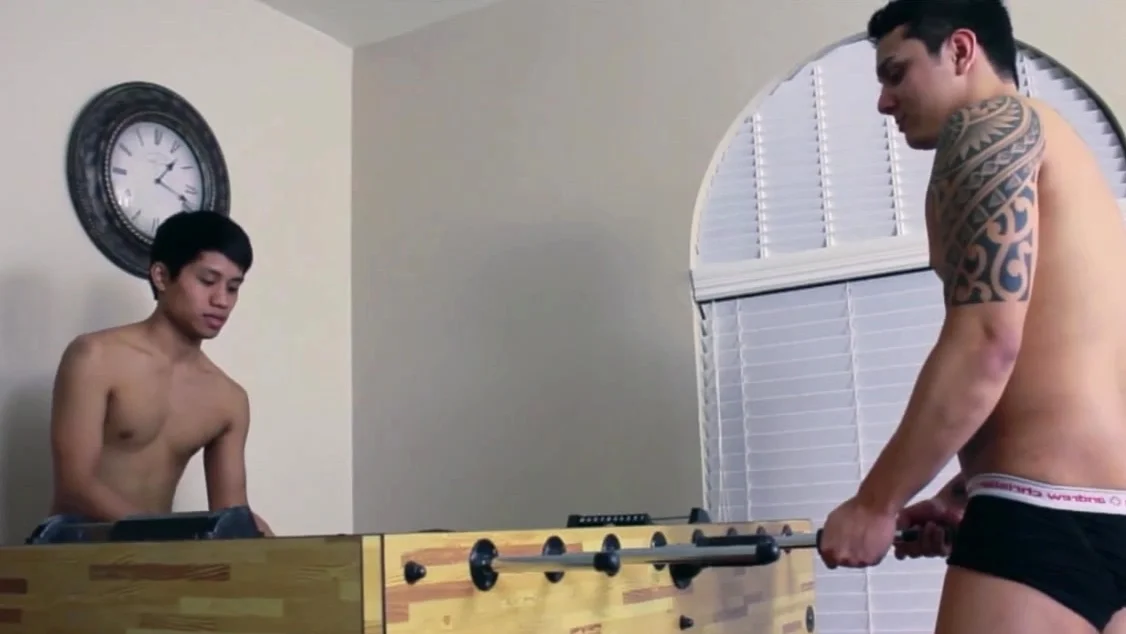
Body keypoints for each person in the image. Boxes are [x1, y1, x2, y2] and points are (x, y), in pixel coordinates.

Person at [816, 0, 1126, 632]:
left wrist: (876, 504)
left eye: (896, 73)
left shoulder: (989, 127)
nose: (884, 101)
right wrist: (960, 493)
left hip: (1041, 515)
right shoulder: (1070, 154)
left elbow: (988, 342)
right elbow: (1075, 356)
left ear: (960, 50)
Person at [48, 210, 274, 536]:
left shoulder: (229, 399)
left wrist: (266, 540)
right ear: (161, 276)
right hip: (77, 550)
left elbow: (230, 512)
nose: (221, 300)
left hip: (158, 558)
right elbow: (75, 485)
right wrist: (169, 537)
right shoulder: (95, 357)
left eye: (233, 287)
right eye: (207, 281)